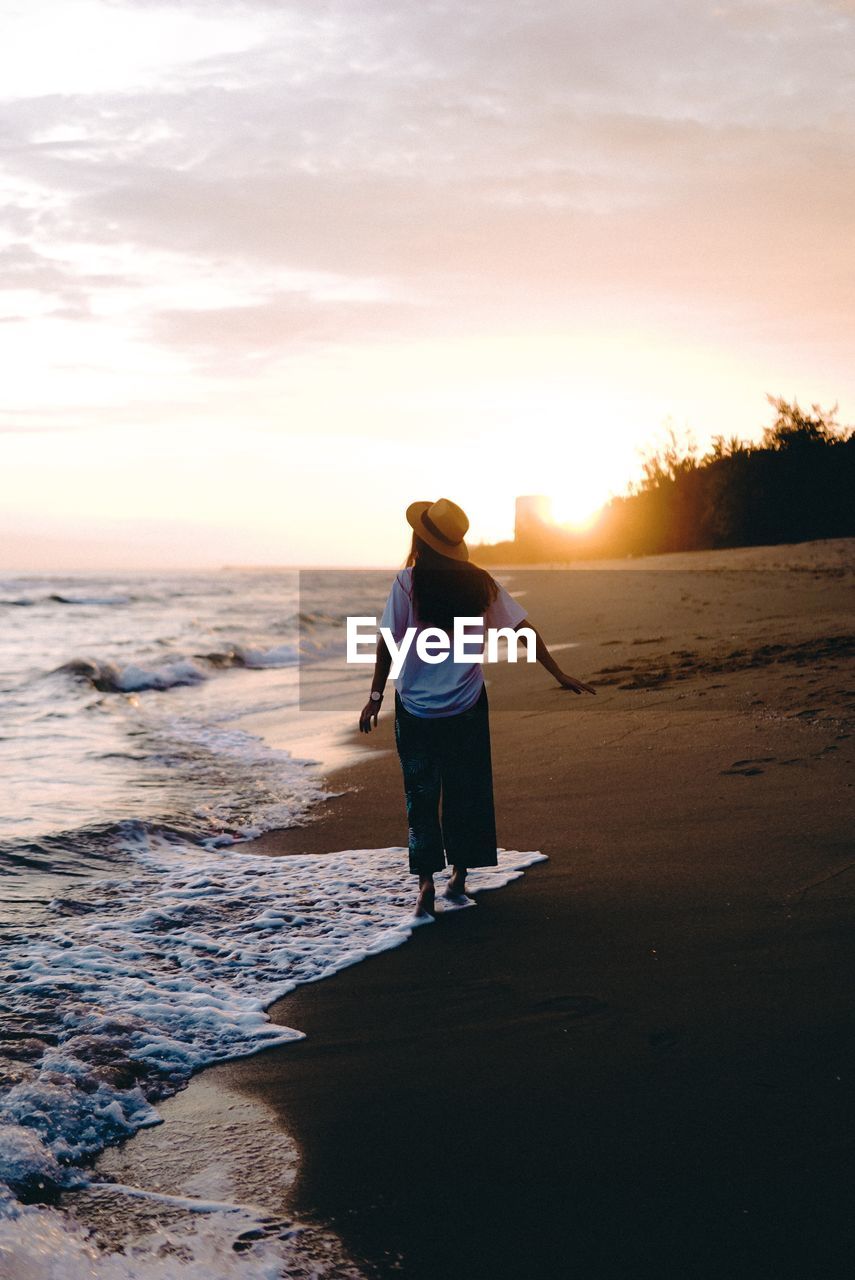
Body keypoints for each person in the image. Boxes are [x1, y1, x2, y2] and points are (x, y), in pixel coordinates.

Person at [359, 497, 595, 919]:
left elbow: (386, 642)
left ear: (420, 538)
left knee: (421, 796)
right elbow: (523, 629)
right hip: (466, 704)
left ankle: (426, 885)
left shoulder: (408, 582)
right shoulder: (479, 582)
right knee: (466, 793)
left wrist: (375, 697)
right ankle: (460, 879)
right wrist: (557, 673)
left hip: (415, 708)